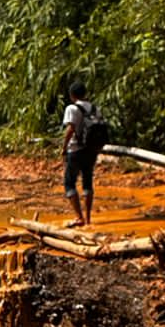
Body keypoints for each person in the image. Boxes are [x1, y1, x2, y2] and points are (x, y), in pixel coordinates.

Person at [61, 80, 100, 227]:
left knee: (69, 183)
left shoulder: (72, 108)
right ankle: (88, 218)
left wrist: (64, 147)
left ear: (72, 95)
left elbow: (70, 129)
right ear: (85, 93)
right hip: (91, 150)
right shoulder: (94, 108)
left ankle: (79, 217)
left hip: (75, 150)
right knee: (87, 182)